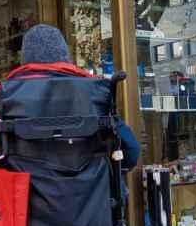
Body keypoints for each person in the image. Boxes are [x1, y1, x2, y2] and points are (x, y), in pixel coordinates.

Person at [20, 24, 141, 173]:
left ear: (24, 60)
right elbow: (131, 151)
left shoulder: (5, 96)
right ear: (64, 57)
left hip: (28, 192)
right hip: (92, 192)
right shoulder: (95, 92)